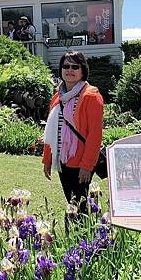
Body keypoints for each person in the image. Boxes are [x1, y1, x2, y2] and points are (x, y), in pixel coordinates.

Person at [42, 51, 104, 210]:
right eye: (66, 66)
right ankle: (77, 231)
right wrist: (47, 159)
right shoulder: (57, 96)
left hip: (81, 161)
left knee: (80, 205)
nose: (70, 70)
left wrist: (87, 165)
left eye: (75, 66)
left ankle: (82, 233)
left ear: (83, 70)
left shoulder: (91, 95)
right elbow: (52, 130)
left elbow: (95, 135)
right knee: (71, 202)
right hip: (63, 160)